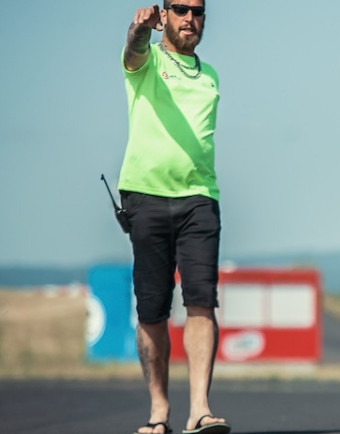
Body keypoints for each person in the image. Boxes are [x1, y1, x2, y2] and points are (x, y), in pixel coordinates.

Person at [118, 2, 230, 433]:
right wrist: (137, 30)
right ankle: (158, 412)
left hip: (200, 198)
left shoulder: (210, 75)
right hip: (145, 196)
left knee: (202, 300)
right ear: (163, 15)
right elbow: (132, 51)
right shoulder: (146, 62)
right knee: (152, 309)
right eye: (180, 9)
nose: (190, 18)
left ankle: (199, 408)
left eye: (198, 12)